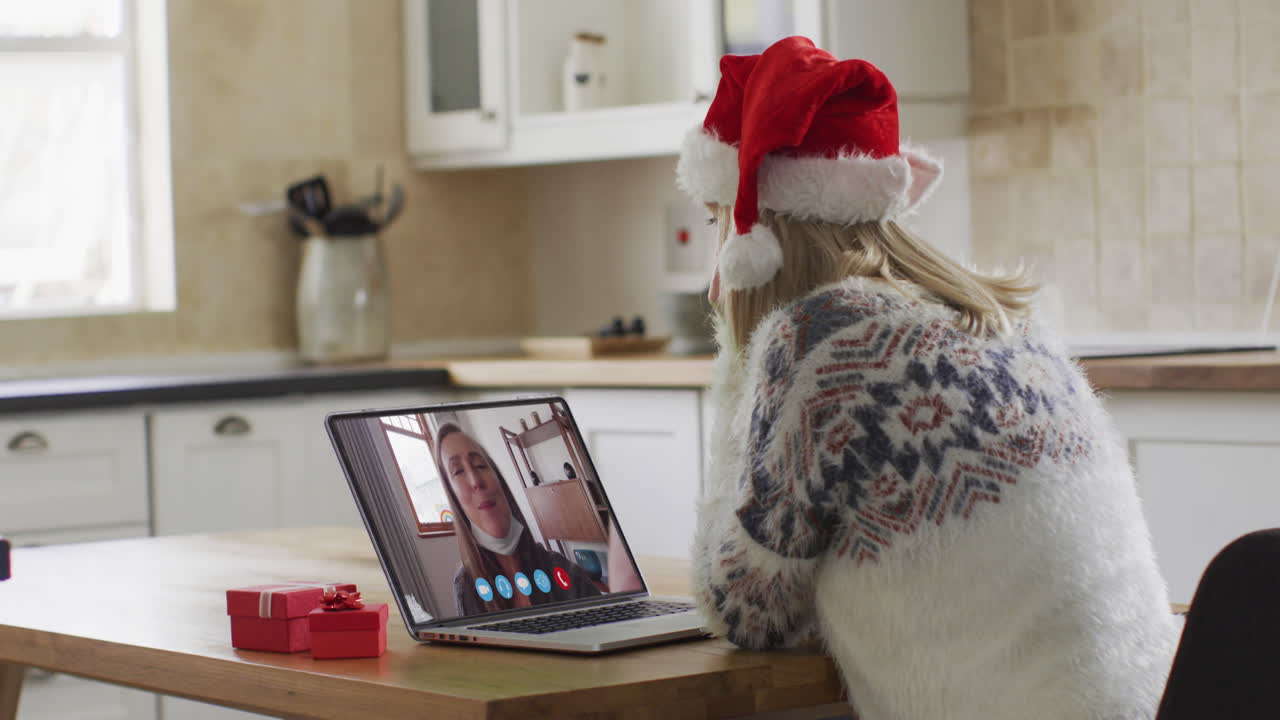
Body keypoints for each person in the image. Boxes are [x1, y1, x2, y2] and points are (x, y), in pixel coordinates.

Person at [679, 37, 1181, 719]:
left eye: (717, 223)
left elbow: (745, 611)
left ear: (755, 240)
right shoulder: (1007, 322)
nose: (714, 285)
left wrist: (736, 373)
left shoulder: (817, 344)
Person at [434, 423, 601, 616]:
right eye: (458, 472)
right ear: (453, 499)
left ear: (500, 482)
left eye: (480, 465)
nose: (475, 481)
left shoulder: (565, 573)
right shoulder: (466, 587)